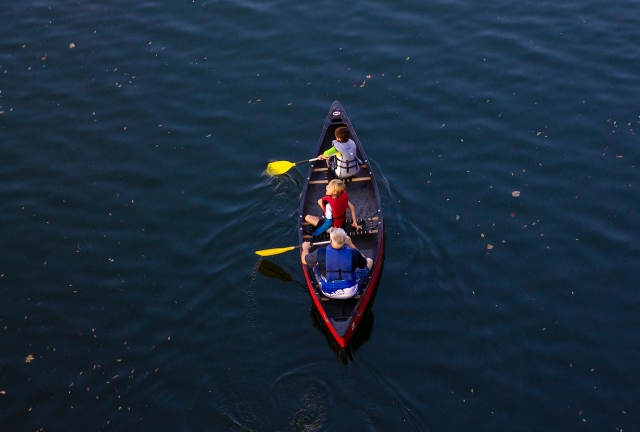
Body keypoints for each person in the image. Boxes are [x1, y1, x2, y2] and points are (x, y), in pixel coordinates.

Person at [301, 228, 374, 299]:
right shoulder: (354, 253)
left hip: (327, 293)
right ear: (344, 240)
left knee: (316, 264)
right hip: (351, 292)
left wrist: (305, 248)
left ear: (330, 241)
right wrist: (351, 244)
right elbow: (364, 264)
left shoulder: (320, 253)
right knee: (370, 261)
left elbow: (304, 260)